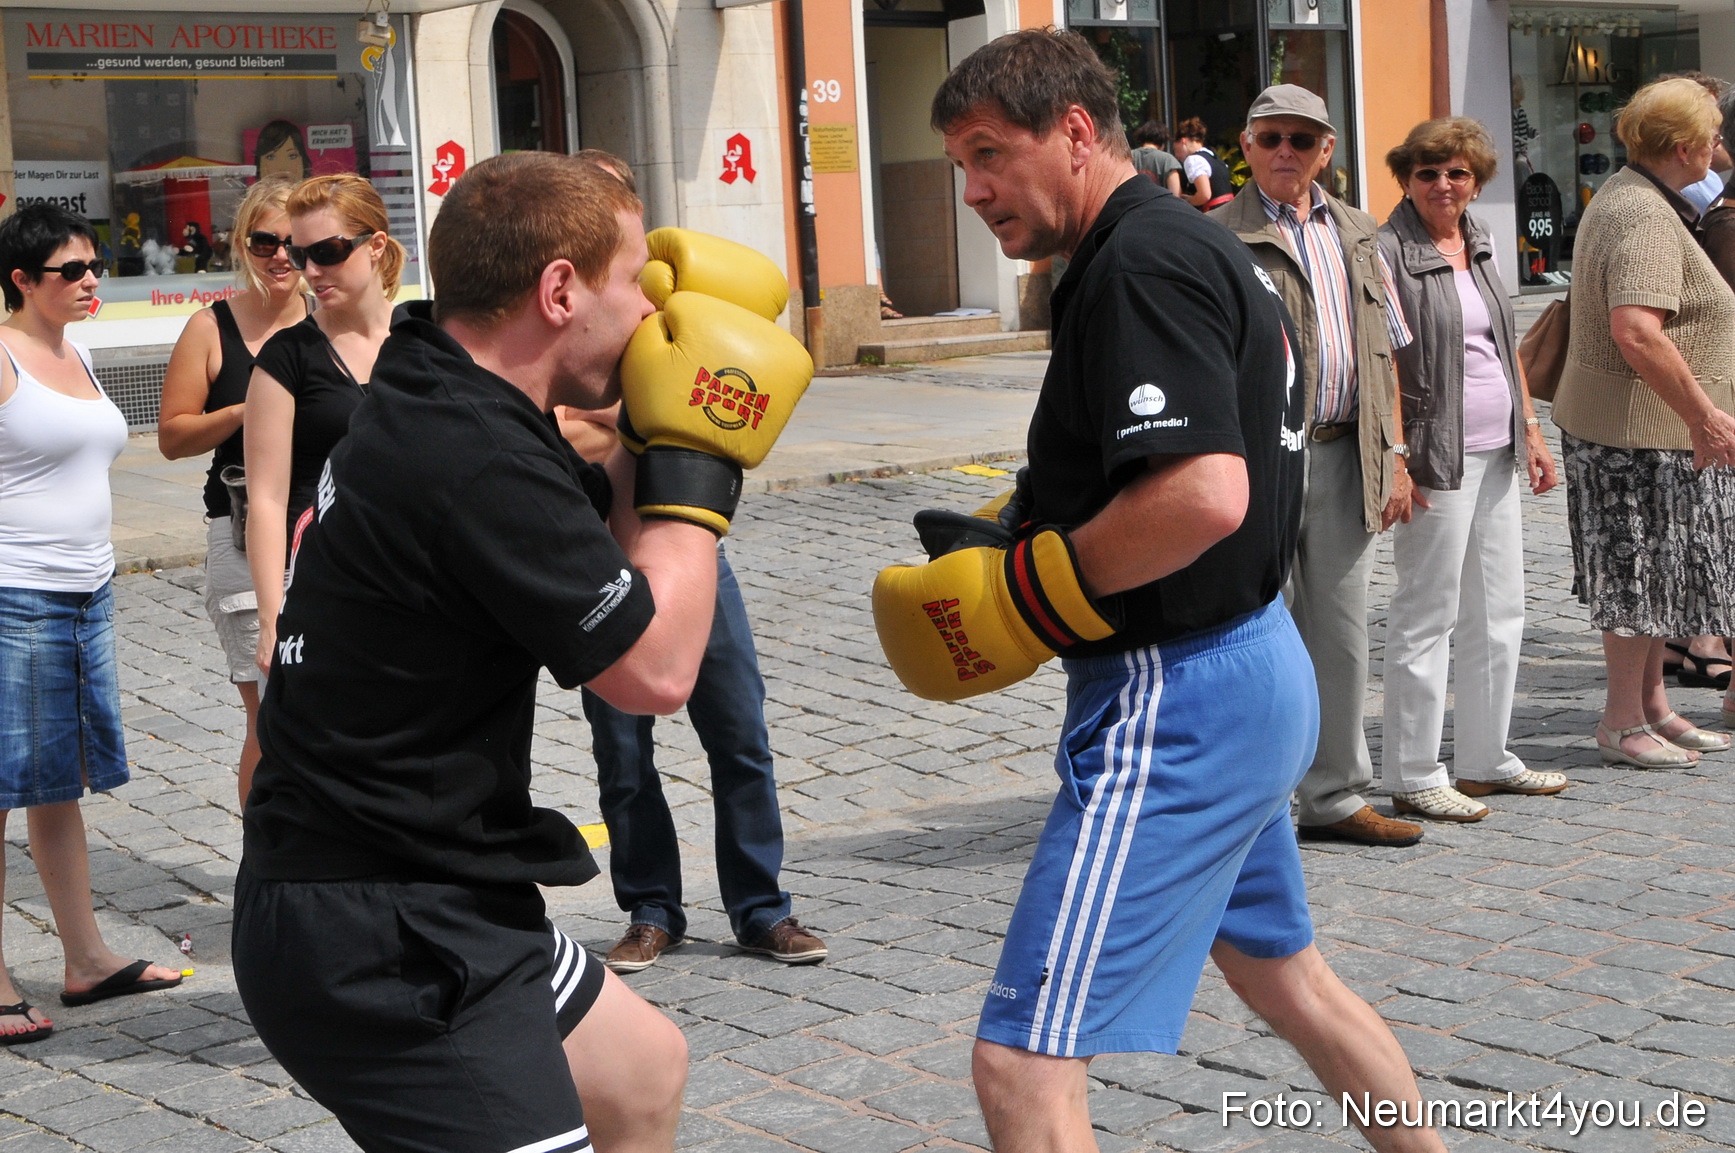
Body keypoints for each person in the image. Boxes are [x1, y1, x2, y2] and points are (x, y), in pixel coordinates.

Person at [905, 29, 1445, 1153]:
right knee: (1286, 977)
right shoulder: (1172, 245)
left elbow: (1203, 493)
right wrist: (1035, 508)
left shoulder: (1140, 262)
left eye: (989, 155)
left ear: (1072, 132)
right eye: (959, 165)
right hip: (1242, 667)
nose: (973, 190)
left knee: (1019, 1061)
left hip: (1177, 694)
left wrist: (1033, 590)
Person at [232, 151, 812, 1152]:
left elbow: (613, 563)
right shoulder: (475, 455)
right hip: (381, 933)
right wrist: (703, 454)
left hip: (417, 886)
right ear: (557, 289)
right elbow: (654, 670)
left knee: (639, 1070)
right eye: (629, 280)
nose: (646, 309)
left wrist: (649, 423)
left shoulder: (437, 377)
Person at [558, 152, 824, 973]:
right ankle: (650, 909)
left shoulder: (671, 305)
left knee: (739, 733)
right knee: (623, 752)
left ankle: (760, 908)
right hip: (596, 561)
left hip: (691, 551)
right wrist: (639, 426)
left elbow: (731, 412)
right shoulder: (566, 315)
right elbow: (560, 426)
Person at [1211, 84, 1424, 847]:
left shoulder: (1358, 232)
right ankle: (1250, 802)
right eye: (1269, 138)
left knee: (1336, 635)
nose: (1284, 153)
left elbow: (1386, 354)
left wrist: (1395, 456)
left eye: (1302, 139)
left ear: (1326, 150)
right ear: (1246, 144)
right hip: (1259, 460)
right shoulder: (1216, 236)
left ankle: (1333, 797)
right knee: (1249, 630)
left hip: (1342, 453)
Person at [0, 204, 185, 1044]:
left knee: (58, 785)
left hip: (85, 594)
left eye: (91, 266)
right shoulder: (2, 355)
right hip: (14, 596)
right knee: (4, 789)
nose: (89, 281)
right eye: (69, 271)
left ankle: (86, 958)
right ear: (20, 281)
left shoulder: (73, 349)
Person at [1376, 119, 1572, 822]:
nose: (1441, 185)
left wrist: (1531, 431)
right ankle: (1413, 769)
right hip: (1434, 452)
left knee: (1500, 611)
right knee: (1427, 614)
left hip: (1497, 448)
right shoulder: (1388, 252)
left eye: (1455, 173)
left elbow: (1503, 347)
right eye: (1427, 172)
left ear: (1476, 182)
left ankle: (1486, 758)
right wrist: (1396, 458)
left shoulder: (1481, 241)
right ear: (1406, 177)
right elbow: (1383, 367)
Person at [1551, 77, 1735, 763]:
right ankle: (1621, 720)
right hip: (1634, 432)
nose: (1719, 147)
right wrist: (1705, 417)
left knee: (1657, 576)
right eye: (1712, 136)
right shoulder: (1642, 216)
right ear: (1685, 148)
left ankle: (1653, 706)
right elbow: (1635, 330)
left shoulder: (1640, 198)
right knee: (1634, 577)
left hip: (1647, 429)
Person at [158, 176, 308, 809]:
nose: (280, 255)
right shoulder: (210, 327)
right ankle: (265, 873)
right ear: (243, 246)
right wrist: (254, 408)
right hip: (244, 535)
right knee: (272, 720)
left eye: (294, 243)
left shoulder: (331, 319)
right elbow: (173, 436)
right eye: (265, 240)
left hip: (330, 533)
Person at [244, 175, 399, 681]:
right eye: (301, 253)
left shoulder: (425, 338)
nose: (310, 270)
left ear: (375, 245)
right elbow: (265, 499)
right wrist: (272, 619)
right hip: (323, 581)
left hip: (418, 579)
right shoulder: (287, 356)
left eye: (328, 251)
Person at [1172, 116, 1233, 209]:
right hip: (1230, 209)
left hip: (1214, 213)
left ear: (1183, 141)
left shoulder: (1194, 160)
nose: (1177, 156)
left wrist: (1188, 201)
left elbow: (1204, 194)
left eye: (1175, 150)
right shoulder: (1214, 157)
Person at [1129, 119, 1182, 198]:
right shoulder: (1168, 160)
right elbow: (1175, 194)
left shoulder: (1127, 157)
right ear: (1163, 142)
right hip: (1161, 207)